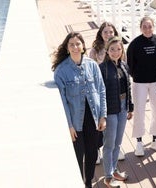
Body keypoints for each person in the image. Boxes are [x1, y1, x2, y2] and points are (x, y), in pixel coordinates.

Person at [52, 32, 107, 188]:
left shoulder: (92, 65)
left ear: (83, 46)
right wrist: (69, 126)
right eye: (71, 44)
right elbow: (63, 102)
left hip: (93, 118)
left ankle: (88, 182)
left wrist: (103, 116)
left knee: (92, 153)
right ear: (67, 48)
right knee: (77, 154)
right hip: (76, 121)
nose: (75, 47)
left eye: (78, 44)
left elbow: (101, 90)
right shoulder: (61, 71)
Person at [127, 16, 156, 156]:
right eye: (144, 26)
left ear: (153, 27)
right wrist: (137, 77)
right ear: (140, 28)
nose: (147, 29)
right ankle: (139, 142)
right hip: (139, 83)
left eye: (150, 26)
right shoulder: (134, 44)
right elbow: (130, 65)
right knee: (139, 111)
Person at [99, 36, 134, 188]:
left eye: (118, 49)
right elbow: (99, 93)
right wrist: (103, 115)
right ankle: (107, 177)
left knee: (118, 143)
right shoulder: (102, 68)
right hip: (110, 109)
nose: (115, 52)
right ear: (107, 50)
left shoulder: (124, 66)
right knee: (109, 144)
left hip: (123, 107)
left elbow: (128, 87)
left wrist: (130, 107)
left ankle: (113, 171)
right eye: (112, 49)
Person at [89, 21, 126, 163]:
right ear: (100, 34)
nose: (108, 34)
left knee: (116, 124)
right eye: (105, 32)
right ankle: (97, 149)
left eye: (111, 32)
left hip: (116, 92)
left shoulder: (119, 48)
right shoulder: (94, 51)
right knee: (100, 122)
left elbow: (123, 68)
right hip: (99, 90)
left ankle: (115, 148)